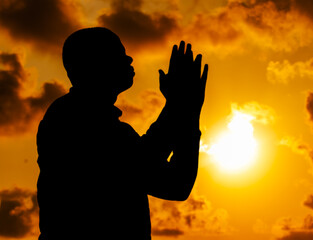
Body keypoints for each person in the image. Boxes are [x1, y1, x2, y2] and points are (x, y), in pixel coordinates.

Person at [36, 27, 208, 240]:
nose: (129, 59)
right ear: (93, 64)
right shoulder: (77, 123)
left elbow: (160, 170)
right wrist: (184, 108)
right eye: (118, 54)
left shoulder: (81, 119)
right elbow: (174, 183)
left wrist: (182, 107)